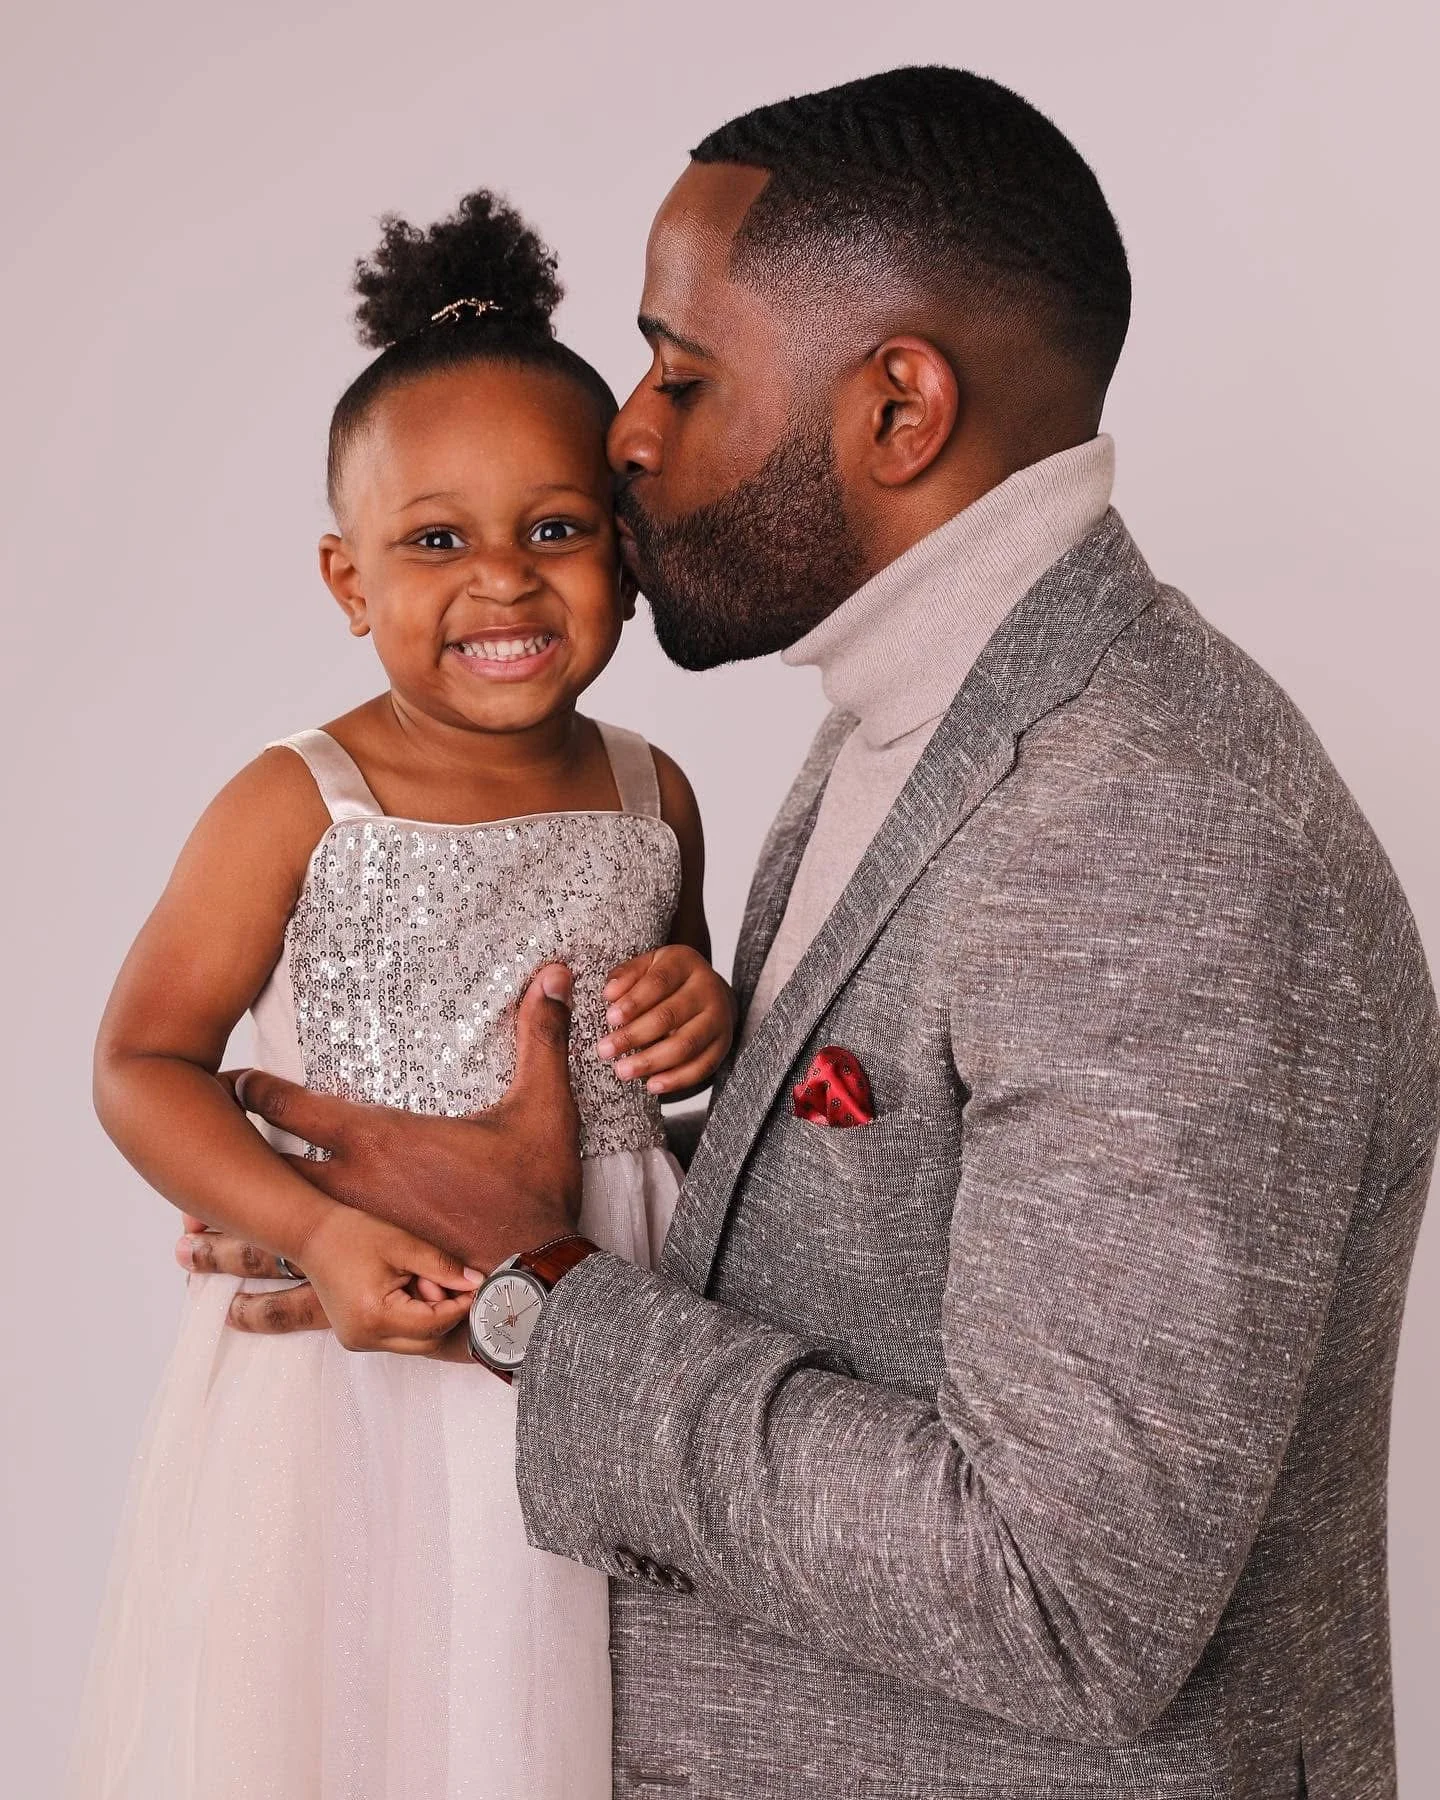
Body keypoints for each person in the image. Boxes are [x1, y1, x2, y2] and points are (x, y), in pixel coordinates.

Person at [184, 68, 1439, 1800]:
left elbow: (1057, 1599)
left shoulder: (1156, 831)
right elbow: (892, 1217)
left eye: (681, 374)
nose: (621, 432)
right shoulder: (906, 715)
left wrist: (546, 1287)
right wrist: (446, 1172)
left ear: (900, 406)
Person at [69, 190, 736, 1800]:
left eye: (557, 529)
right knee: (365, 1713)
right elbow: (141, 1061)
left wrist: (700, 1014)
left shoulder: (659, 794)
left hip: (599, 1324)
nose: (503, 582)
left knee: (575, 1715)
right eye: (437, 540)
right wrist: (308, 1228)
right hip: (352, 1360)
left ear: (630, 561)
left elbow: (680, 1078)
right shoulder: (299, 800)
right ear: (346, 577)